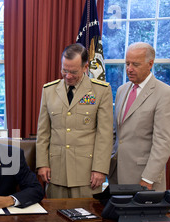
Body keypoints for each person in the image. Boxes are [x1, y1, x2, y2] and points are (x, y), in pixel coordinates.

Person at [36, 43, 113, 198]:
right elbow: (43, 132)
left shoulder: (100, 91)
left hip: (86, 174)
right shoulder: (49, 90)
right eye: (64, 70)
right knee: (55, 219)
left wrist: (100, 169)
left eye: (73, 71)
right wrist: (42, 164)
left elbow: (104, 134)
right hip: (56, 171)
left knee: (87, 219)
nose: (68, 76)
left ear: (85, 67)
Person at [109, 42, 170, 191]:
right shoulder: (122, 90)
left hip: (143, 178)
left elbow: (163, 142)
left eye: (135, 64)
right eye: (127, 63)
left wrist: (148, 178)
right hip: (116, 173)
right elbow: (116, 134)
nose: (129, 69)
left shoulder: (165, 94)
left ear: (150, 64)